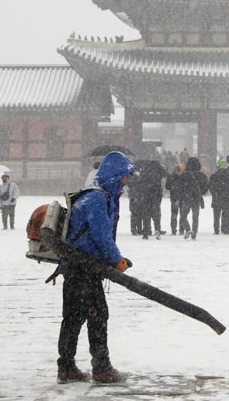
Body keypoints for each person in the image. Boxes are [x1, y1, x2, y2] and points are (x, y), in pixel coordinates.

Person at [56, 151, 136, 384]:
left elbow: (101, 237)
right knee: (97, 315)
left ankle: (66, 367)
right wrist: (116, 260)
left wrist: (114, 258)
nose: (126, 182)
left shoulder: (99, 197)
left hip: (78, 267)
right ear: (114, 176)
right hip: (83, 269)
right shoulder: (97, 199)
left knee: (73, 317)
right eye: (124, 177)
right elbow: (101, 236)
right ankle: (101, 368)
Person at [176, 156, 209, 240]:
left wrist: (180, 197)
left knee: (183, 215)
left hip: (187, 198)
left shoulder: (184, 175)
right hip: (197, 198)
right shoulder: (202, 175)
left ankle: (187, 229)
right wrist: (201, 193)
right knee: (195, 217)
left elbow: (179, 187)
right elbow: (205, 187)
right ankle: (194, 233)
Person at [209, 159, 229, 235]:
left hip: (217, 198)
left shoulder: (214, 176)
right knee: (225, 214)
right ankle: (224, 229)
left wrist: (215, 194)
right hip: (225, 198)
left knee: (216, 215)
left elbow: (210, 186)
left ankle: (216, 229)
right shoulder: (228, 176)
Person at [164, 163, 183, 236]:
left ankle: (173, 229)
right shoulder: (183, 176)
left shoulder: (171, 176)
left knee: (174, 214)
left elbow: (167, 187)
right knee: (182, 214)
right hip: (182, 197)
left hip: (174, 197)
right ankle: (181, 229)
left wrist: (172, 188)